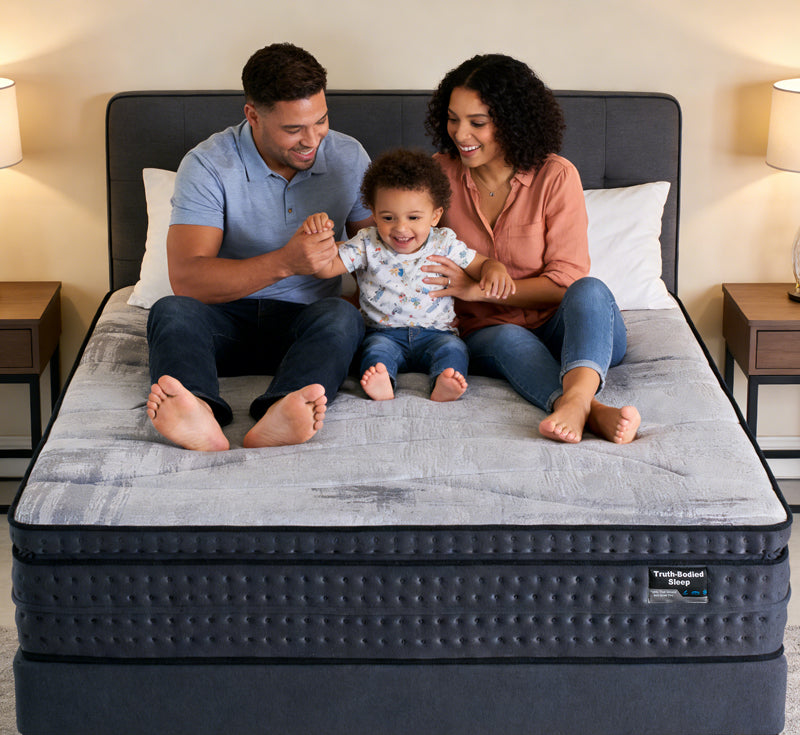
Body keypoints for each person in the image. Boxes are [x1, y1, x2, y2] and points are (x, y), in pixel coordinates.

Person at [145, 43, 372, 451]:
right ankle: (196, 409)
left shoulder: (349, 156)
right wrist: (285, 262)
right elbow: (188, 280)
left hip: (306, 325)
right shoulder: (209, 165)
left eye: (320, 121)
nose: (312, 139)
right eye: (292, 130)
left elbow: (379, 253)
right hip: (223, 323)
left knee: (342, 316)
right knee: (172, 311)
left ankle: (283, 407)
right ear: (252, 115)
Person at [421, 53, 641, 444]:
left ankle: (576, 403)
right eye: (453, 119)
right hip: (489, 329)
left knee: (589, 289)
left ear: (511, 121)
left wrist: (478, 288)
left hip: (569, 327)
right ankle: (584, 407)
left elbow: (565, 281)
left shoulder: (556, 176)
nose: (460, 134)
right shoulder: (438, 175)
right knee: (507, 337)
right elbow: (401, 242)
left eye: (477, 123)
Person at [302, 148, 514, 402]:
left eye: (414, 217)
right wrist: (317, 239)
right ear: (373, 211)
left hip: (437, 334)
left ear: (435, 216)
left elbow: (480, 264)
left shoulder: (444, 242)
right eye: (388, 217)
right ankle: (383, 381)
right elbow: (325, 269)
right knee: (374, 353)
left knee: (454, 350)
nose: (401, 228)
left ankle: (445, 379)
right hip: (383, 333)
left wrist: (495, 268)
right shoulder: (366, 243)